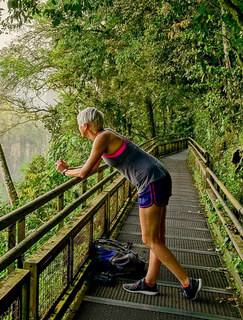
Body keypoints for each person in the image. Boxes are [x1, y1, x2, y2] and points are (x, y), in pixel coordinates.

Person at [55, 107, 202, 300]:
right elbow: (91, 168)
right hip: (159, 176)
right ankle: (149, 283)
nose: (78, 128)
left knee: (150, 240)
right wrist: (69, 168)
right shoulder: (105, 136)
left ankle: (188, 283)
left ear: (86, 125)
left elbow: (83, 174)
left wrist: (65, 172)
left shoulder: (102, 138)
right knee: (157, 237)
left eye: (78, 125)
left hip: (150, 182)